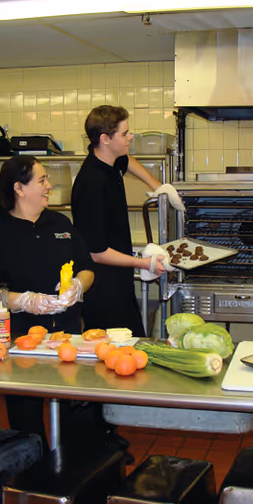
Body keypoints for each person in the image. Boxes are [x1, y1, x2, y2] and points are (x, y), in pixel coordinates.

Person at [0, 155, 95, 443]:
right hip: (20, 340)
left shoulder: (60, 223)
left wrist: (79, 285)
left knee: (73, 418)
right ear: (19, 188)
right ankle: (31, 476)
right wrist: (23, 300)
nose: (49, 186)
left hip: (67, 335)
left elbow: (87, 267)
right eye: (42, 180)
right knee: (26, 423)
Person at [71, 105, 184, 336]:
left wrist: (158, 187)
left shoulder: (111, 161)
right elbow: (96, 252)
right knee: (115, 356)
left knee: (134, 344)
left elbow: (128, 161)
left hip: (119, 282)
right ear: (105, 139)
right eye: (124, 134)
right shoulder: (90, 184)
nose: (130, 137)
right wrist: (144, 264)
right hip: (101, 289)